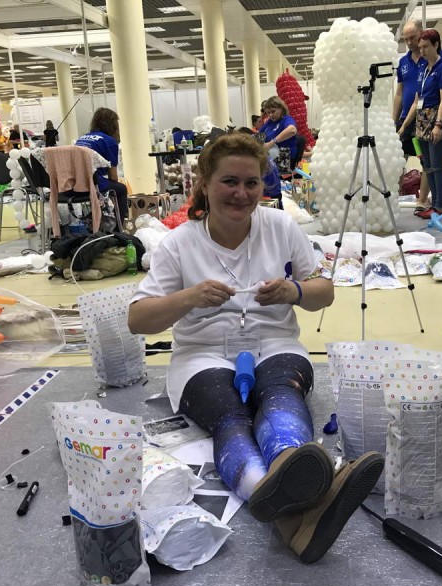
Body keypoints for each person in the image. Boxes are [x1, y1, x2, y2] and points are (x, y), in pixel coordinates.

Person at [128, 133, 383, 563]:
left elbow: (324, 291)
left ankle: (284, 480)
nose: (242, 194)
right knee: (230, 415)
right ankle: (303, 505)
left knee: (280, 395)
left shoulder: (280, 226)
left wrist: (293, 291)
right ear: (204, 183)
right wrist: (189, 297)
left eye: (252, 183)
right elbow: (138, 319)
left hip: (274, 343)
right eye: (229, 182)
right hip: (202, 354)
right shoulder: (179, 243)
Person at [398, 28, 442, 219]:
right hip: (422, 120)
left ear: (436, 45)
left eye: (426, 47)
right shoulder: (424, 69)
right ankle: (433, 202)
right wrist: (404, 125)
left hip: (436, 118)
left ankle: (439, 205)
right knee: (428, 165)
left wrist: (438, 125)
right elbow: (416, 101)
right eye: (420, 47)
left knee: (437, 165)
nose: (422, 51)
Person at [394, 20, 432, 215]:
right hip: (404, 119)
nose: (409, 42)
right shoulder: (403, 63)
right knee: (398, 159)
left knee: (426, 161)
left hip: (425, 117)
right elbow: (399, 93)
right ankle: (394, 197)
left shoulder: (433, 57)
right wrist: (393, 121)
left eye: (413, 38)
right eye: (405, 39)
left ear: (421, 34)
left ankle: (422, 200)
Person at [75, 107, 128, 223]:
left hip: (75, 184)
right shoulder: (109, 141)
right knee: (122, 189)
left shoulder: (81, 139)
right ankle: (118, 226)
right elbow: (113, 177)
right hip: (92, 184)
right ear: (113, 125)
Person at [259, 96, 298, 169]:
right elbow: (258, 135)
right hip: (271, 155)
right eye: (268, 112)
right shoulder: (270, 122)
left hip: (284, 157)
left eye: (273, 111)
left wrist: (272, 142)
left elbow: (292, 130)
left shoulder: (287, 119)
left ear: (281, 108)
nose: (270, 115)